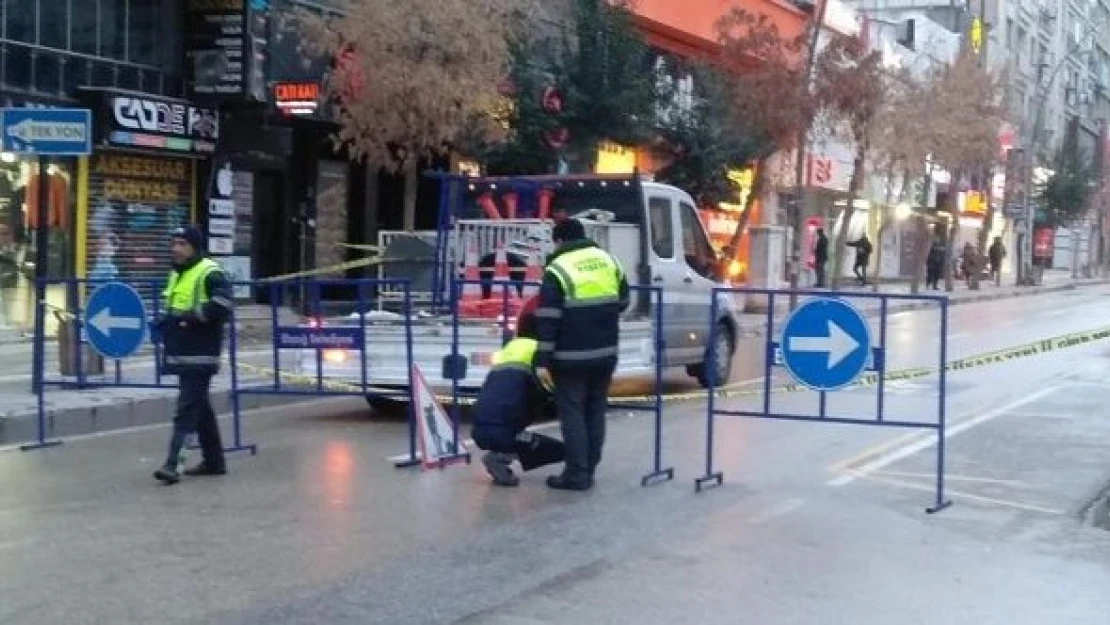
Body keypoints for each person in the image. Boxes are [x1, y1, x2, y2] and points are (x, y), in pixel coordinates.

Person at [535, 219, 629, 491]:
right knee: (595, 410)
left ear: (560, 241)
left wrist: (542, 361)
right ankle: (590, 465)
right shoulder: (609, 261)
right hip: (606, 353)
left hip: (570, 357)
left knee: (573, 413)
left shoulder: (557, 269)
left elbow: (548, 319)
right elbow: (623, 301)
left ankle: (577, 474)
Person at [152, 225, 234, 484]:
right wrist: (165, 321)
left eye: (182, 244)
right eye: (174, 243)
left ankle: (173, 465)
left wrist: (192, 317)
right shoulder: (178, 274)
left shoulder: (210, 272)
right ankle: (214, 461)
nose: (176, 248)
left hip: (200, 354)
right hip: (182, 352)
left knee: (186, 411)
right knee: (200, 409)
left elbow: (223, 305)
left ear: (195, 248)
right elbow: (176, 306)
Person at [471, 297, 566, 487]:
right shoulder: (538, 351)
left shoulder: (509, 349)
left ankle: (500, 455)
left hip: (478, 428)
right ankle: (500, 457)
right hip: (503, 430)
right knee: (563, 451)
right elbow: (553, 389)